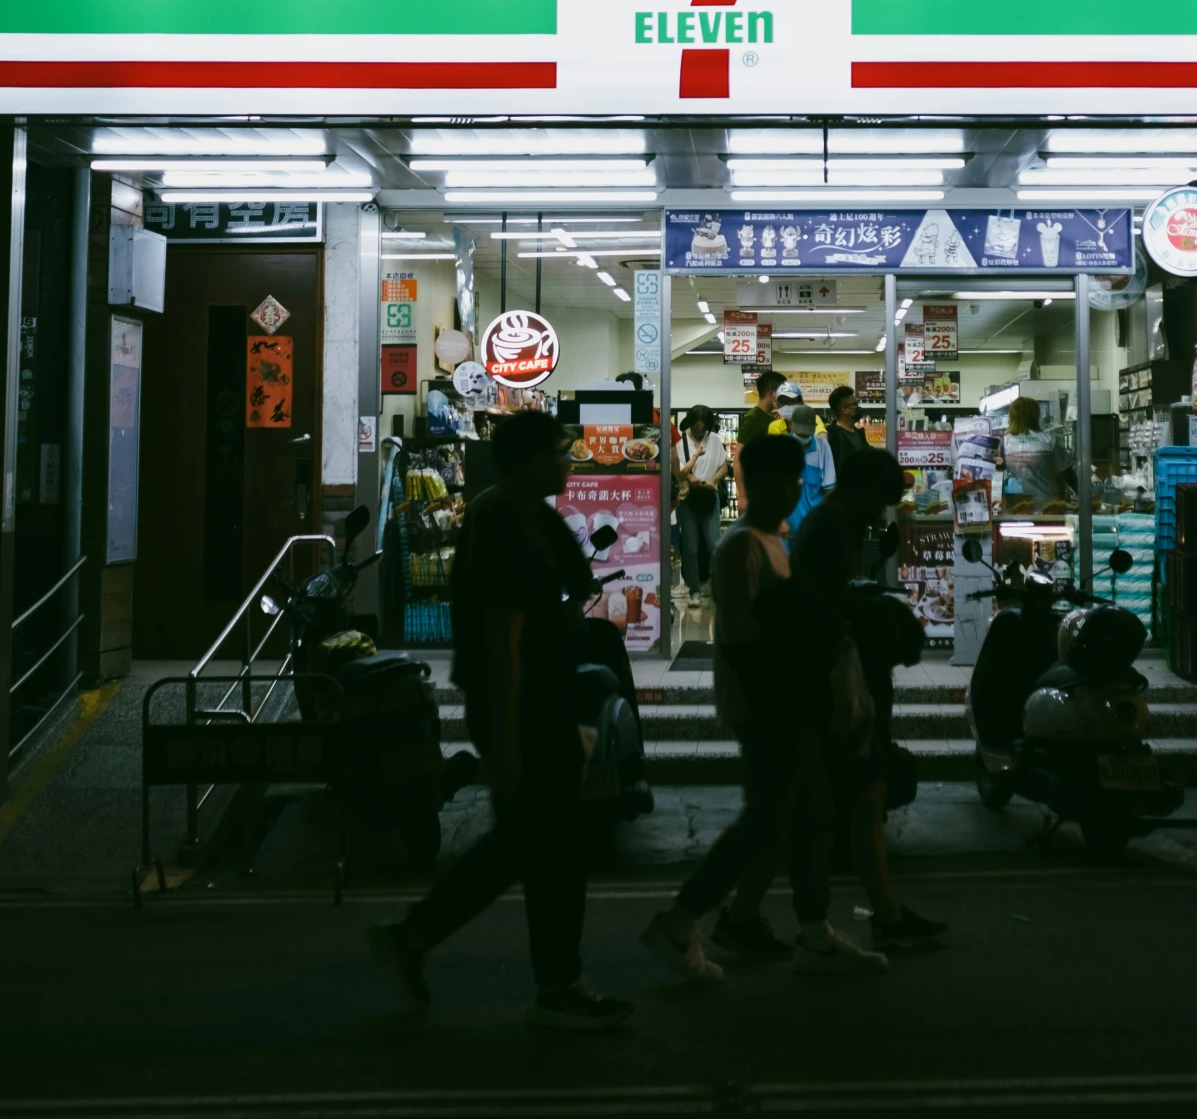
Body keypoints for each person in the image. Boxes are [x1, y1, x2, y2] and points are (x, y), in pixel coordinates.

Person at [370, 411, 632, 1030]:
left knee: (531, 845)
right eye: (563, 451)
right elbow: (502, 636)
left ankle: (434, 942)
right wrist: (511, 740)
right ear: (533, 459)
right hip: (520, 702)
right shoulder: (505, 523)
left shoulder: (523, 512)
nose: (571, 460)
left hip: (541, 699)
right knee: (548, 846)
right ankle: (547, 975)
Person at [638, 435, 887, 978]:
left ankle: (806, 927)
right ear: (758, 484)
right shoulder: (743, 547)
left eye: (798, 480)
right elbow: (743, 639)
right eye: (788, 481)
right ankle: (680, 923)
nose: (796, 489)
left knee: (798, 818)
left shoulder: (770, 541)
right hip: (768, 706)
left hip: (783, 702)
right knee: (769, 821)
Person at [789, 445, 949, 953]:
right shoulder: (832, 527)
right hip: (837, 682)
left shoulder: (835, 522)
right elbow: (825, 604)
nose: (885, 510)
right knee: (849, 797)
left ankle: (885, 914)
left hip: (841, 677)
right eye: (884, 499)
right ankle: (860, 919)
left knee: (862, 798)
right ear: (865, 490)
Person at [674, 405, 729, 598]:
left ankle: (716, 586)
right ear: (690, 423)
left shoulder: (713, 439)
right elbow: (678, 470)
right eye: (697, 426)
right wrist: (689, 478)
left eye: (703, 427)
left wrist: (713, 481)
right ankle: (694, 589)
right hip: (687, 498)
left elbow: (724, 466)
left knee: (713, 542)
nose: (700, 430)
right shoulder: (679, 442)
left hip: (708, 496)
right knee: (690, 545)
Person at [730, 369, 786, 512]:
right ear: (771, 392)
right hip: (755, 492)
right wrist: (742, 496)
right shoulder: (753, 418)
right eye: (782, 391)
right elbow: (738, 458)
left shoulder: (775, 417)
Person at [784, 402, 836, 534]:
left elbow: (829, 489)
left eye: (807, 432)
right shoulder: (780, 448)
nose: (803, 436)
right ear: (789, 424)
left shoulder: (822, 446)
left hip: (814, 525)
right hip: (786, 526)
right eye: (800, 432)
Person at [826, 385, 871, 475]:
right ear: (844, 409)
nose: (858, 408)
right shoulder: (831, 435)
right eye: (855, 405)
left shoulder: (859, 433)